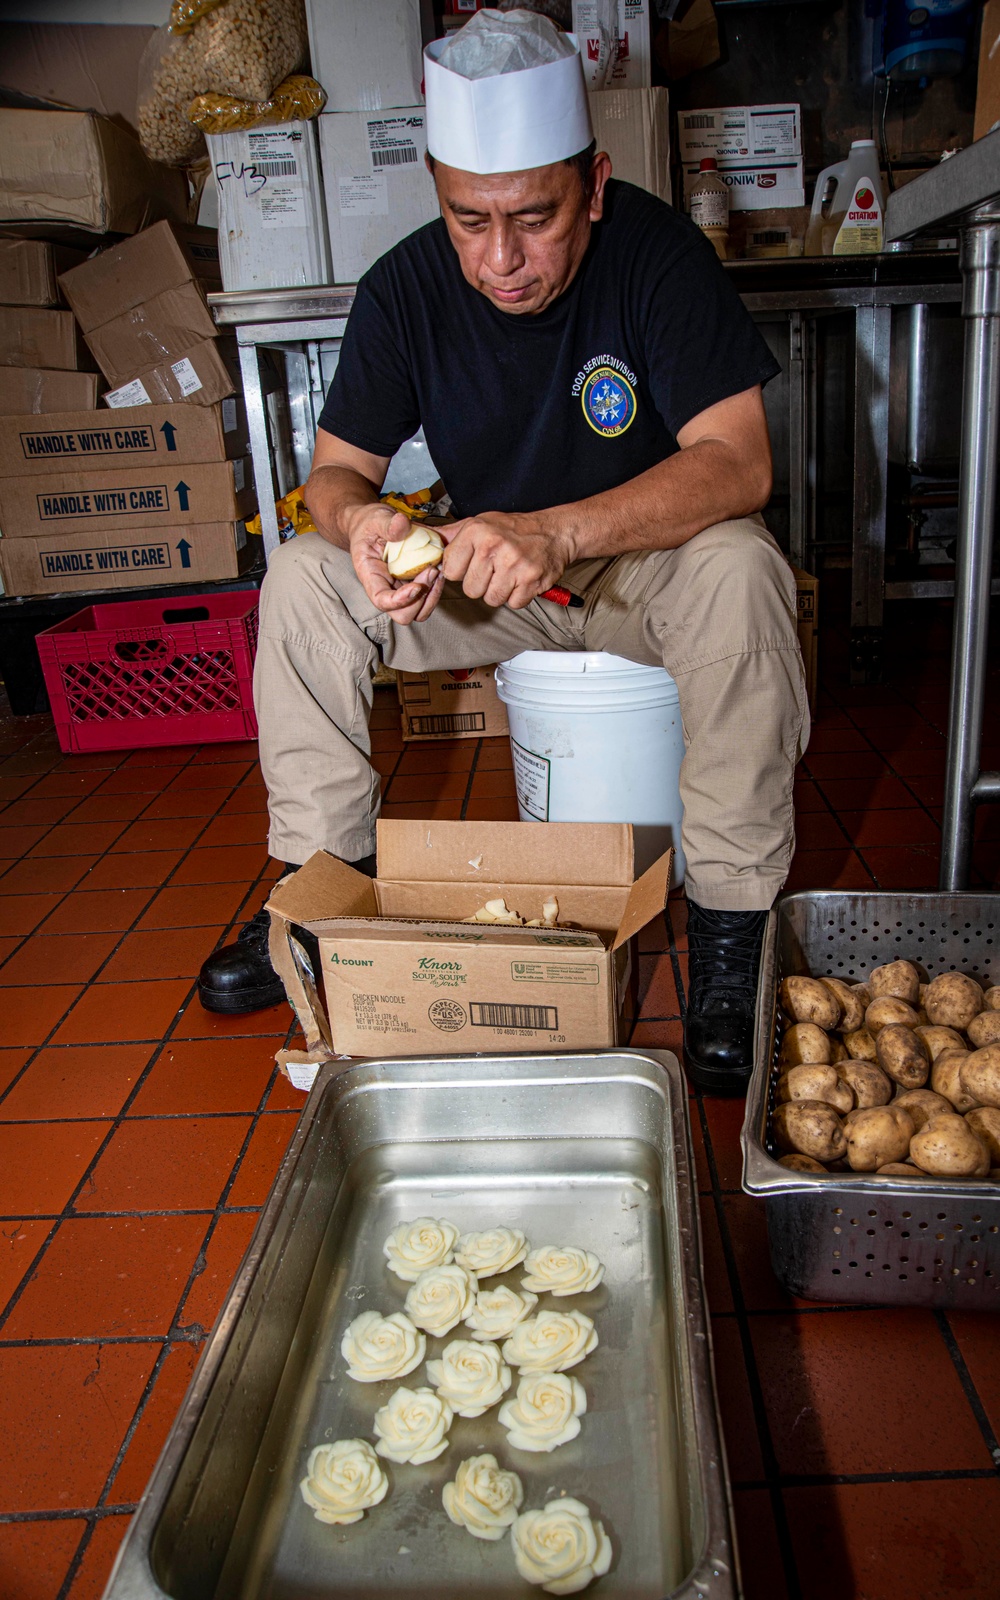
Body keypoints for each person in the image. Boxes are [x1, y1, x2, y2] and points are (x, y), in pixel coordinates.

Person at [198, 9, 809, 1094]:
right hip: (489, 580)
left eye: (534, 217)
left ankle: (733, 929)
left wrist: (557, 530)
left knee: (743, 568)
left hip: (638, 566)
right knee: (300, 574)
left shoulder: (656, 256)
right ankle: (317, 888)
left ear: (595, 185)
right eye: (467, 218)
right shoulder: (407, 286)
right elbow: (333, 475)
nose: (500, 258)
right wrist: (365, 523)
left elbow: (738, 464)